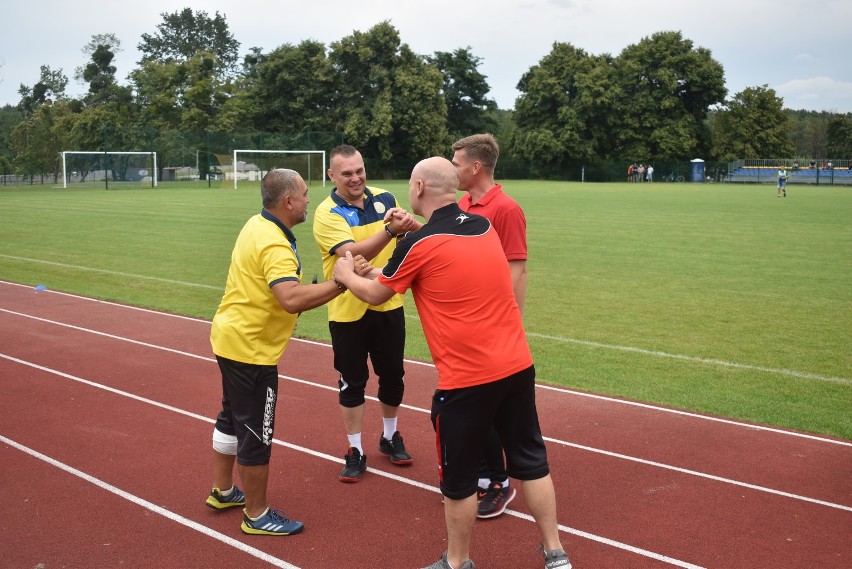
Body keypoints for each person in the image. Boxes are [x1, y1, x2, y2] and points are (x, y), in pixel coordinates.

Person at [334, 156, 572, 569]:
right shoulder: (481, 227)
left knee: (458, 482)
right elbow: (427, 270)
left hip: (467, 381)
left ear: (420, 188)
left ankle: (458, 562)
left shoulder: (417, 243)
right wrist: (375, 272)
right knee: (532, 463)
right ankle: (556, 554)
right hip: (517, 365)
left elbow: (377, 295)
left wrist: (346, 273)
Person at [207, 168, 355, 536]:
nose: (309, 200)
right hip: (251, 349)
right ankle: (256, 515)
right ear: (288, 201)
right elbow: (289, 298)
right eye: (305, 194)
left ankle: (224, 491)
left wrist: (329, 284)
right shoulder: (274, 242)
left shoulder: (257, 224)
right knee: (257, 430)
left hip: (230, 337)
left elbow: (286, 290)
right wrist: (342, 283)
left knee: (231, 416)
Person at [313, 144, 419, 483]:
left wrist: (403, 225)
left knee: (393, 375)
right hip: (346, 310)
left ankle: (390, 436)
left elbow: (406, 235)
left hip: (388, 301)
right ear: (331, 175)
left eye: (359, 170)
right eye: (347, 173)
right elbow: (349, 255)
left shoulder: (387, 197)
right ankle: (355, 448)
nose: (356, 178)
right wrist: (387, 232)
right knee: (352, 381)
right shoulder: (327, 212)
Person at [452, 133, 525, 519]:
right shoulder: (461, 204)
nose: (452, 168)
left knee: (492, 409)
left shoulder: (506, 209)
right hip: (462, 326)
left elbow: (516, 269)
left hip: (493, 329)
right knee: (466, 405)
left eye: (457, 162)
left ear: (475, 167)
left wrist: (509, 325)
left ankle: (500, 481)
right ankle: (481, 475)